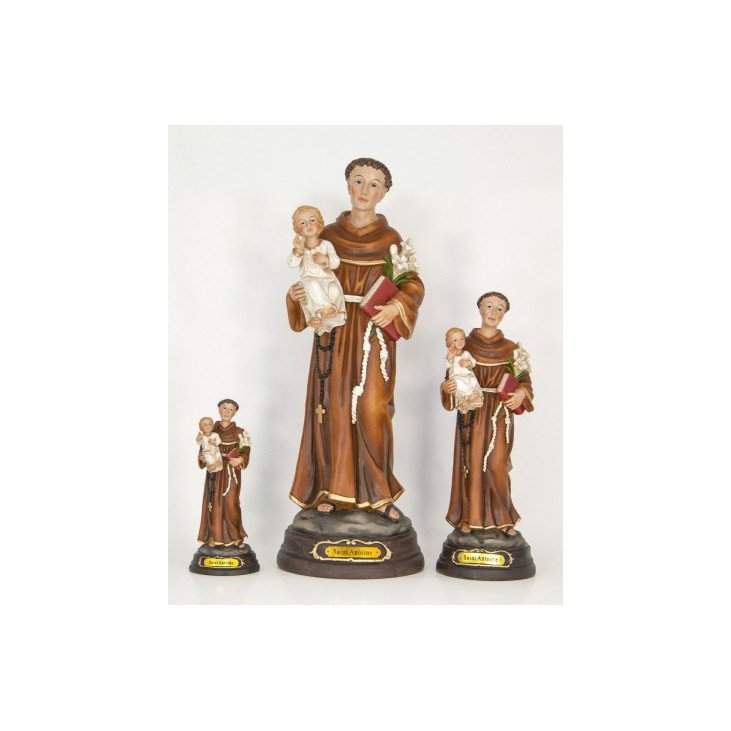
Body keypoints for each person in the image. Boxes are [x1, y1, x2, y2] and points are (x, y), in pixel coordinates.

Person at [286, 158, 424, 522]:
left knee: (372, 409)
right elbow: (309, 278)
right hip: (333, 329)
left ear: (384, 193)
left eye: (374, 184)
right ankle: (332, 490)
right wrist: (297, 297)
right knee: (331, 407)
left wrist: (396, 305)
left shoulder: (391, 241)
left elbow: (412, 283)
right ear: (348, 185)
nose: (365, 190)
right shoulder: (327, 236)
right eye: (358, 181)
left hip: (371, 333)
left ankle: (379, 493)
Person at [440, 292, 533, 534]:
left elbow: (524, 381)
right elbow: (451, 376)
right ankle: (468, 516)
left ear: (505, 314)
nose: (493, 312)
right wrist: (447, 388)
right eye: (489, 306)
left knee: (497, 464)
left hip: (498, 413)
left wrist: (521, 393)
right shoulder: (465, 345)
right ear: (480, 309)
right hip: (472, 410)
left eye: (500, 308)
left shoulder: (511, 348)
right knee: (469, 462)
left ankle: (503, 519)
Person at [197, 399, 251, 546]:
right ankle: (214, 536)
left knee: (231, 503)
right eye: (224, 408)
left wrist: (240, 459)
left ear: (235, 412)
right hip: (215, 471)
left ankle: (235, 537)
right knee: (213, 503)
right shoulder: (210, 430)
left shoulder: (240, 432)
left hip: (231, 473)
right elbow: (203, 449)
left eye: (231, 409)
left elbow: (245, 450)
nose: (227, 412)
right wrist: (202, 458)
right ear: (219, 410)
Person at [288, 205, 346, 334]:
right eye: (302, 223)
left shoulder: (326, 245)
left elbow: (336, 262)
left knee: (334, 289)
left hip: (327, 280)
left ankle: (333, 316)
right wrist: (298, 251)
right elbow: (292, 263)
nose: (308, 225)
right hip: (309, 281)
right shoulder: (301, 248)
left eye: (312, 220)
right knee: (313, 286)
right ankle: (320, 312)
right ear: (298, 229)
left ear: (320, 223)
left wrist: (325, 260)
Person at [444, 327, 484, 413]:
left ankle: (472, 399)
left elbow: (474, 362)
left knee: (473, 381)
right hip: (457, 377)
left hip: (468, 376)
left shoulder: (466, 353)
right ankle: (465, 400)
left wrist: (469, 363)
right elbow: (447, 365)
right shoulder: (451, 355)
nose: (460, 342)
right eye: (455, 340)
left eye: (462, 338)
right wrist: (450, 357)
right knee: (459, 384)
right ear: (450, 343)